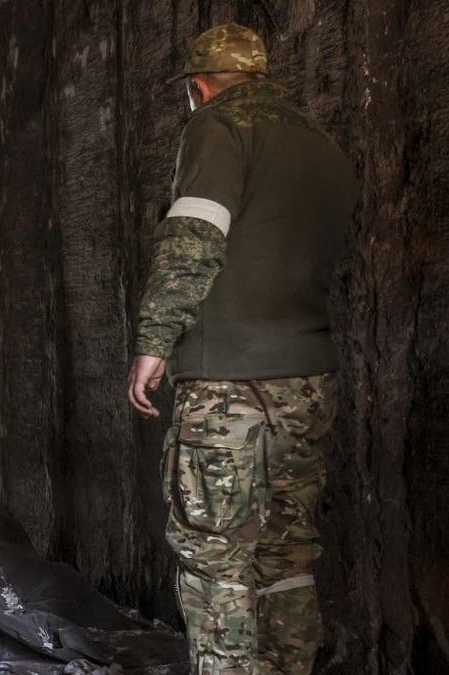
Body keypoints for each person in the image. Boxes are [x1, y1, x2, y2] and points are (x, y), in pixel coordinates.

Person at [126, 23, 358, 675]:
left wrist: (154, 339)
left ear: (199, 87)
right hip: (308, 379)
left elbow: (193, 238)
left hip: (229, 381)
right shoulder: (322, 144)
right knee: (285, 558)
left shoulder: (217, 128)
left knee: (216, 560)